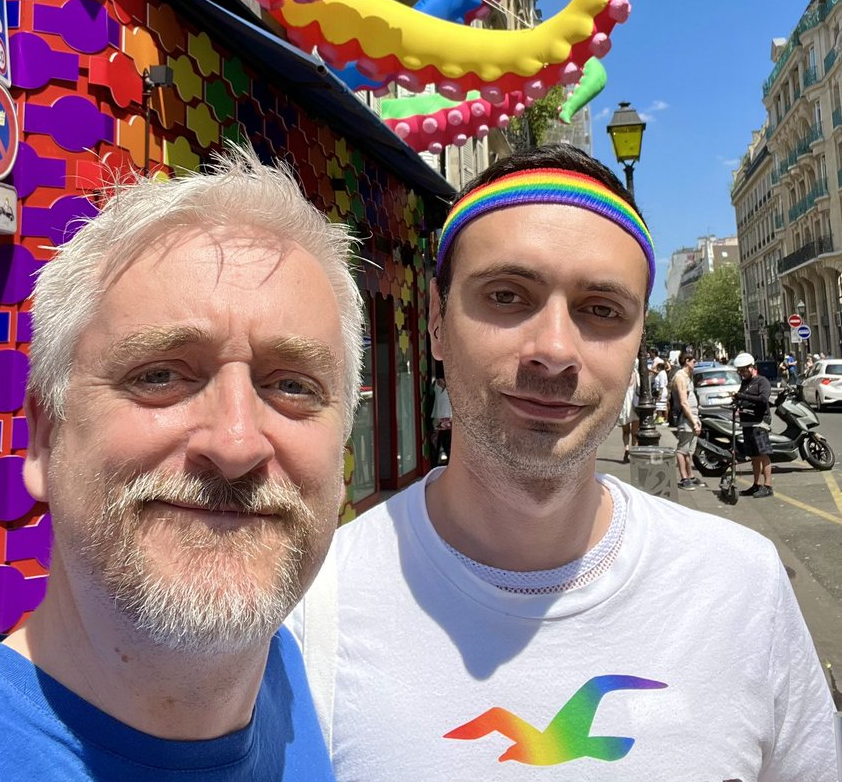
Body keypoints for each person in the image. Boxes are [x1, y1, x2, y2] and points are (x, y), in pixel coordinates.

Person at [290, 144, 836, 780]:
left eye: (601, 310)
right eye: (506, 295)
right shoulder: (310, 604)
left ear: (637, 342)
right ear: (436, 323)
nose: (553, 350)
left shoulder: (741, 586)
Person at [0, 145, 364, 780]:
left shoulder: (280, 670)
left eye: (293, 387)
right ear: (44, 438)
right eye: (161, 374)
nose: (237, 442)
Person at [734, 351, 774, 498]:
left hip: (759, 423)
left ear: (752, 367)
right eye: (740, 371)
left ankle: (768, 485)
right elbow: (741, 397)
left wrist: (743, 396)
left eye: (744, 370)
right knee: (754, 456)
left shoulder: (762, 381)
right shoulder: (745, 383)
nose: (742, 373)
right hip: (747, 423)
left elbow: (764, 399)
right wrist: (736, 401)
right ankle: (756, 484)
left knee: (763, 454)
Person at [670, 353, 703, 489]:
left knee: (689, 450)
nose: (695, 364)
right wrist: (693, 422)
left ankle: (690, 475)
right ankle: (684, 478)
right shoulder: (680, 377)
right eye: (693, 361)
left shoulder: (687, 377)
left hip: (693, 415)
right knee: (682, 449)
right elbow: (684, 402)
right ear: (687, 361)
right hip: (686, 417)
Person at [617, 366, 639, 463]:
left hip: (624, 403)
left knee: (626, 431)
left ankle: (627, 447)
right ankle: (634, 453)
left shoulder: (621, 374)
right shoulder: (637, 375)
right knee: (635, 433)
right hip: (634, 403)